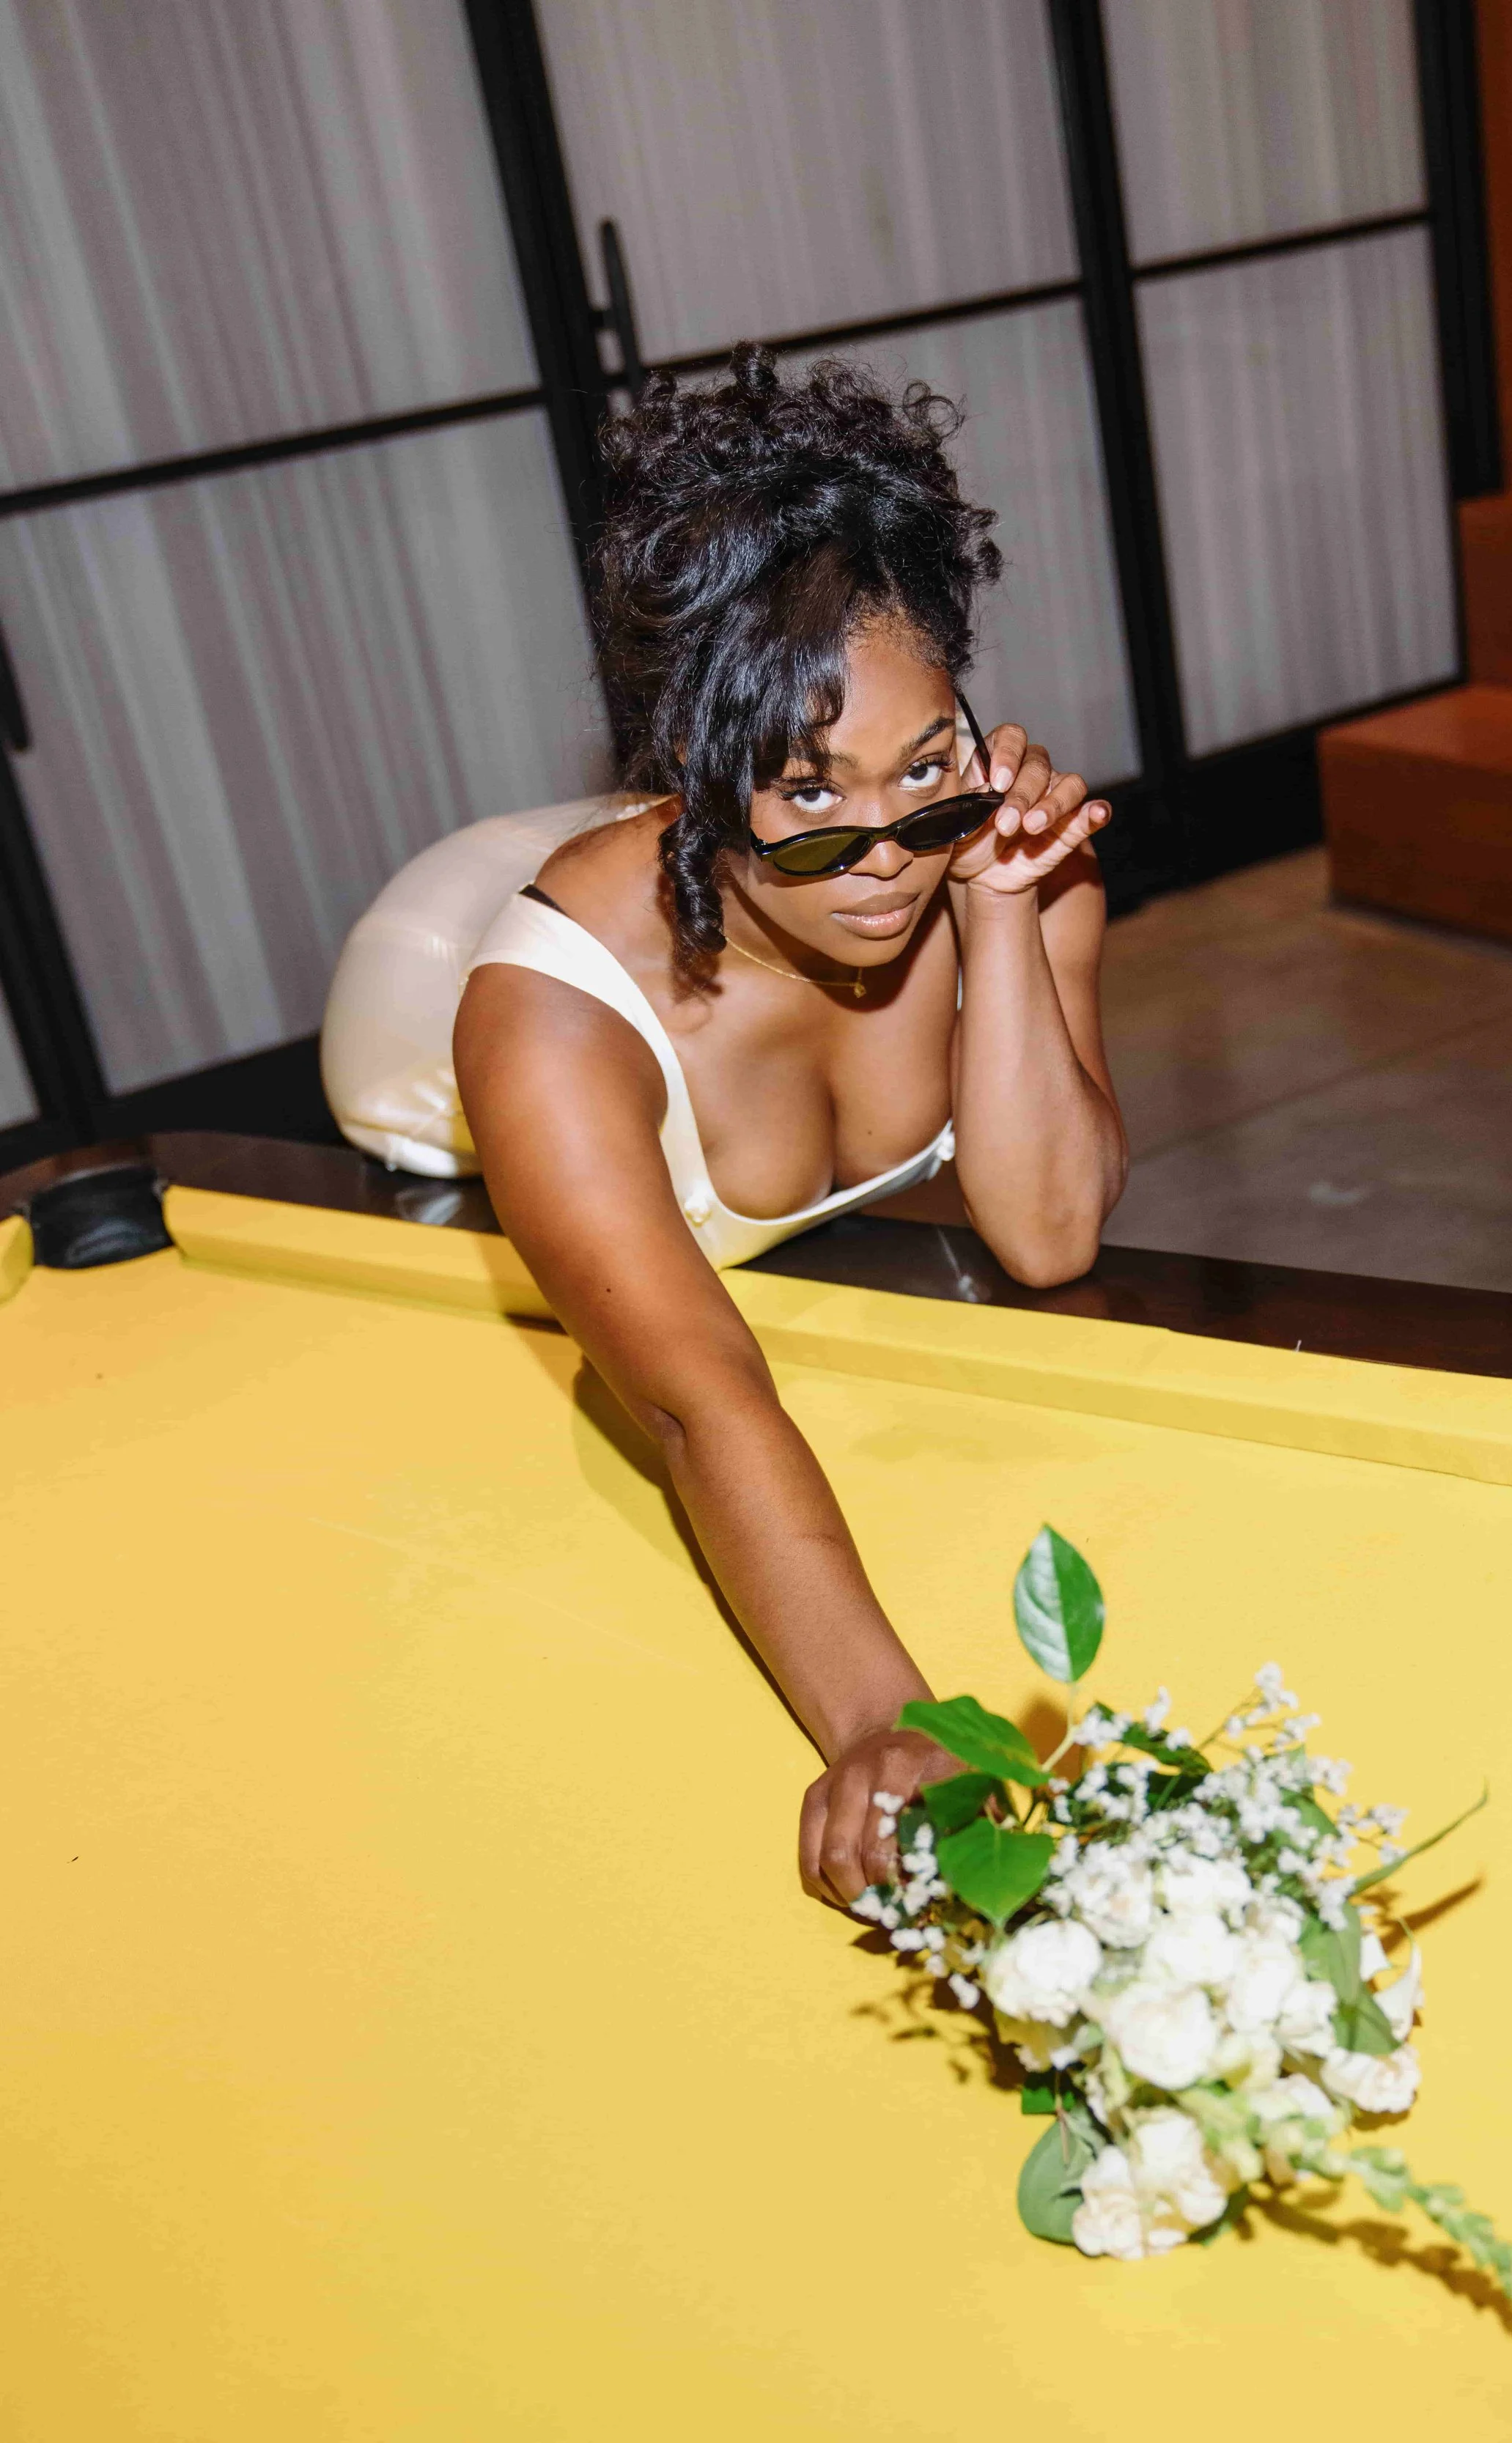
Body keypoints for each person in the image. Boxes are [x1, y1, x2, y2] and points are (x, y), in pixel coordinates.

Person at [323, 347, 1128, 1904]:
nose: (885, 855)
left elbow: (1045, 1234)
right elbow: (698, 1402)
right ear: (697, 775)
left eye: (923, 769)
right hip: (441, 1024)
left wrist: (1009, 911)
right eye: (809, 794)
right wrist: (887, 1718)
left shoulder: (986, 843)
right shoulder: (544, 1021)